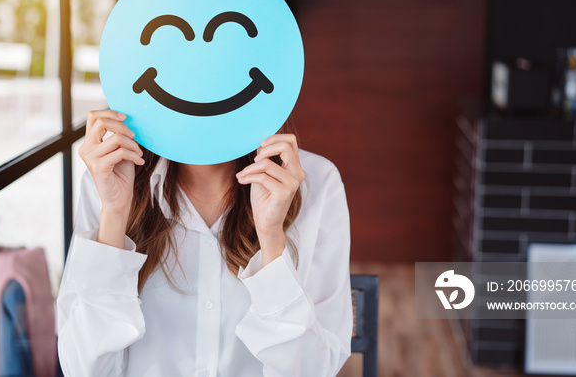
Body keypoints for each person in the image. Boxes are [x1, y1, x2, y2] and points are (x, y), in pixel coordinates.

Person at [56, 110, 353, 376]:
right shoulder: (109, 177)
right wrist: (115, 215)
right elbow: (84, 369)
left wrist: (271, 238)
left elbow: (314, 370)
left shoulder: (317, 182)